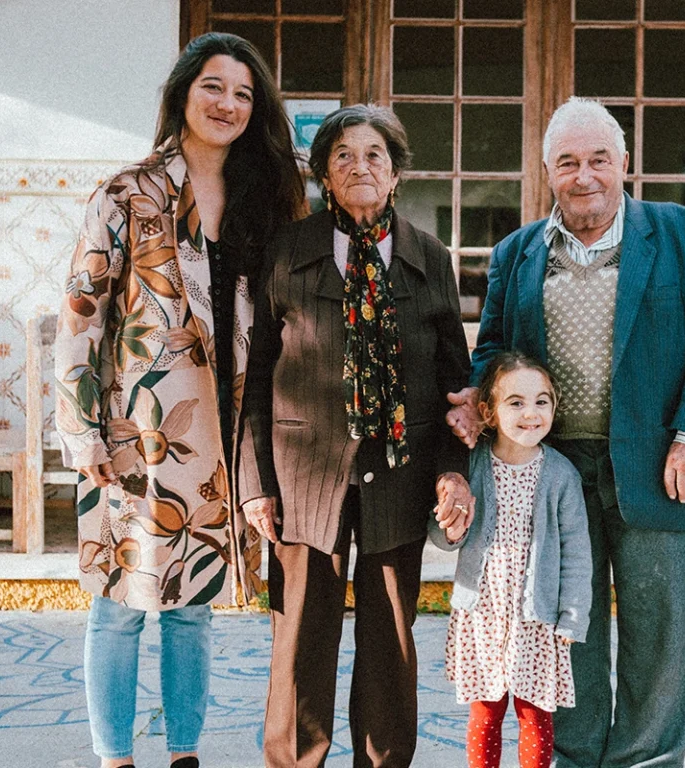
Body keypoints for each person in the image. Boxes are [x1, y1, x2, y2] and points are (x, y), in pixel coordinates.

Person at [445, 96, 685, 768]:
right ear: (547, 171)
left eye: (599, 160)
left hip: (662, 463)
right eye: (568, 162)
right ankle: (576, 757)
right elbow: (492, 350)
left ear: (625, 163)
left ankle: (649, 761)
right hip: (550, 470)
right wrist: (477, 401)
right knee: (563, 622)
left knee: (660, 630)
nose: (585, 176)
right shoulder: (517, 252)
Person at [54, 31, 305, 768]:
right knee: (120, 603)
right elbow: (80, 315)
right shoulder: (127, 194)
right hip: (138, 431)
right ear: (183, 94)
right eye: (213, 87)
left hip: (224, 431)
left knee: (193, 608)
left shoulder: (265, 198)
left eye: (243, 93)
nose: (228, 103)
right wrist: (82, 432)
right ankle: (115, 758)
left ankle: (183, 754)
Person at [237, 104, 476, 768]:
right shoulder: (289, 249)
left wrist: (451, 470)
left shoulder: (430, 256)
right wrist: (255, 483)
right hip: (302, 474)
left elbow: (455, 381)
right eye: (342, 155)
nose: (359, 166)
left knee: (391, 640)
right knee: (299, 641)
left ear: (396, 173)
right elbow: (257, 374)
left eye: (374, 154)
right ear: (324, 175)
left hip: (399, 473)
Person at [445, 351, 593, 768]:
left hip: (537, 620)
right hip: (483, 614)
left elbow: (576, 552)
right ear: (488, 412)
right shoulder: (472, 464)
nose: (531, 413)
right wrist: (450, 528)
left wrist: (572, 617)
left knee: (534, 715)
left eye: (542, 401)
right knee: (485, 713)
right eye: (516, 402)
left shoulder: (561, 474)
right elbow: (445, 531)